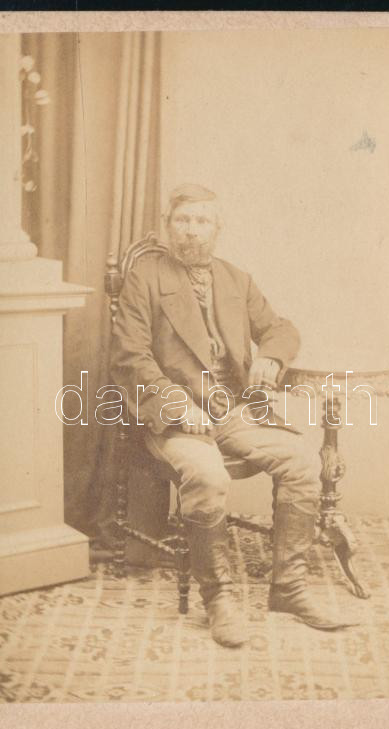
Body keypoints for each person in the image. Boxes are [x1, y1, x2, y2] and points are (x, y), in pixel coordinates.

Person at [111, 183, 347, 647]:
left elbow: (280, 328)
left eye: (202, 221)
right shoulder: (145, 278)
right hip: (175, 416)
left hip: (234, 411)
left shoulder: (236, 279)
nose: (191, 231)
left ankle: (288, 588)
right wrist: (178, 405)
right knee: (207, 475)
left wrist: (272, 357)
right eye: (183, 220)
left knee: (302, 462)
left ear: (217, 229)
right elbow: (130, 357)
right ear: (168, 225)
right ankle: (218, 598)